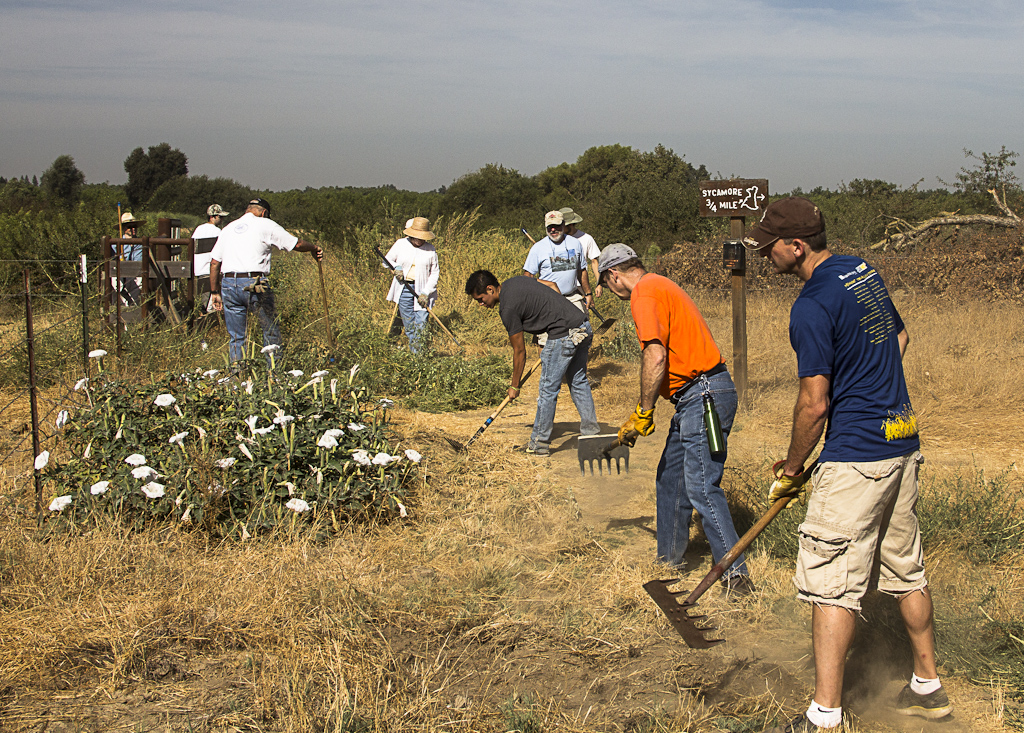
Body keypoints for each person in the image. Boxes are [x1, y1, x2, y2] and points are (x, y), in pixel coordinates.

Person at [743, 197, 950, 731]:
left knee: (830, 583)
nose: (765, 256)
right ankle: (927, 686)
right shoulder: (862, 271)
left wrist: (792, 469)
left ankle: (824, 716)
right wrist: (869, 390)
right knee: (906, 569)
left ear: (797, 246)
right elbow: (900, 337)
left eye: (770, 248)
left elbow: (814, 405)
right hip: (900, 441)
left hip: (857, 460)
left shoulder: (811, 304)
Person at [597, 244, 752, 591]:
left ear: (614, 275)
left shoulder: (644, 293)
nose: (610, 289)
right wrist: (640, 414)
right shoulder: (659, 285)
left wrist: (644, 412)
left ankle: (736, 576)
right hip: (695, 396)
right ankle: (669, 562)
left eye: (606, 283)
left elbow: (655, 356)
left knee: (702, 486)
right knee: (671, 479)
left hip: (704, 395)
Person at [465, 270, 599, 455]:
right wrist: (554, 312)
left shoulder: (507, 308)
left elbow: (520, 351)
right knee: (578, 381)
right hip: (582, 324)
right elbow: (551, 286)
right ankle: (592, 434)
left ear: (490, 289)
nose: (481, 304)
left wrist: (514, 386)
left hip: (563, 334)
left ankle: (539, 444)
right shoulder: (516, 281)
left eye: (480, 299)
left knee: (547, 389)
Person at [209, 198, 323, 365]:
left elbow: (214, 263)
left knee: (237, 336)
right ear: (264, 213)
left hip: (229, 283)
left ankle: (237, 374)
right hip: (254, 282)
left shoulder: (228, 228)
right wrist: (314, 248)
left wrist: (214, 291)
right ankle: (274, 372)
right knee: (270, 329)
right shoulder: (265, 224)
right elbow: (296, 244)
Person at [384, 217, 439, 354]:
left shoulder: (430, 249)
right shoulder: (401, 244)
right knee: (409, 323)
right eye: (417, 237)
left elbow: (434, 273)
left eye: (422, 238)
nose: (419, 241)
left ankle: (419, 354)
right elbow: (387, 260)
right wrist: (396, 267)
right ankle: (416, 354)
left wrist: (426, 292)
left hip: (422, 291)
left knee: (421, 322)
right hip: (404, 289)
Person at [523, 211, 594, 315]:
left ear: (563, 224)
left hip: (572, 297)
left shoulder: (575, 243)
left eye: (556, 225)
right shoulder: (538, 248)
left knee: (582, 324)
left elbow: (581, 271)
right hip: (548, 300)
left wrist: (588, 293)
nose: (553, 229)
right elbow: (528, 276)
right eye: (550, 226)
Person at [192, 204, 229, 314]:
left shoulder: (198, 229)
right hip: (210, 271)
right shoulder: (217, 232)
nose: (222, 220)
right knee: (211, 305)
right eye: (220, 217)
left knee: (202, 302)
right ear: (213, 217)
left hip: (198, 270)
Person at [559, 207, 603, 298]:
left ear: (570, 224)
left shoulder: (586, 238)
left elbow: (594, 262)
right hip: (561, 286)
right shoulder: (557, 239)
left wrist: (599, 284)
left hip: (581, 285)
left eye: (562, 226)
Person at [116, 212, 145, 305]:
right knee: (115, 282)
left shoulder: (140, 244)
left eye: (134, 226)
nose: (133, 229)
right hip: (120, 274)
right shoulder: (116, 244)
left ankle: (134, 307)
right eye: (130, 227)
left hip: (135, 274)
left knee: (138, 282)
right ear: (124, 229)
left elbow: (139, 261)